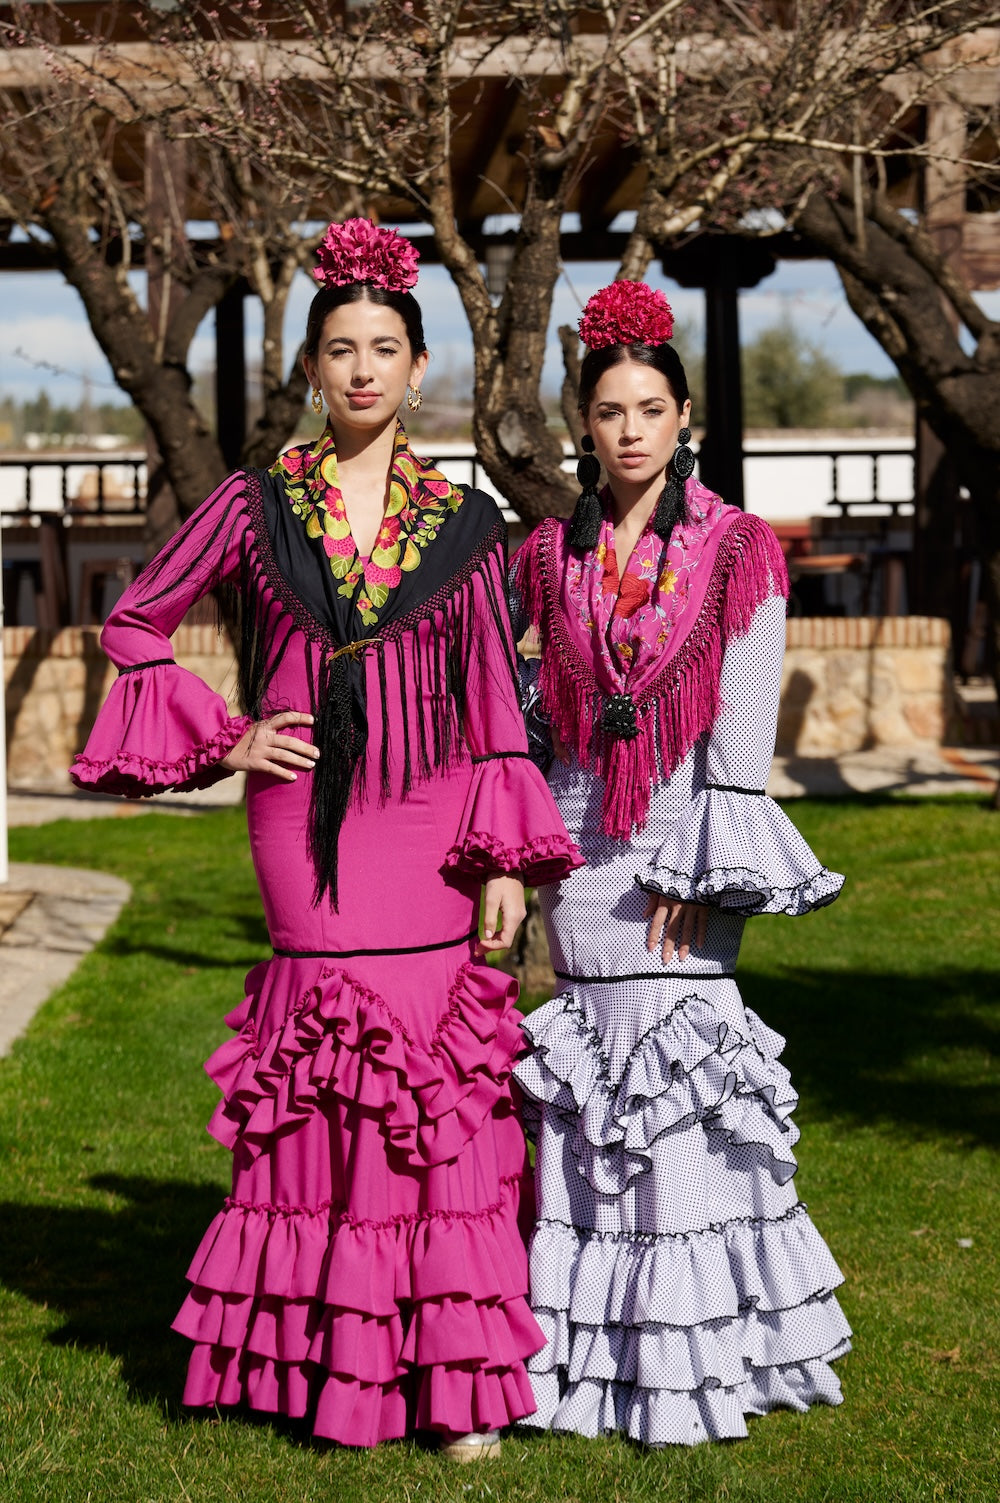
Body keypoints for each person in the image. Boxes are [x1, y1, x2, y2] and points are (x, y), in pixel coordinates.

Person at [70, 218, 581, 1457]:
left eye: (383, 349)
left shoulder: (466, 525)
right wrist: (225, 736)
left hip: (435, 819)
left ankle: (452, 1386)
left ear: (418, 368)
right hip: (300, 818)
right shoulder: (252, 505)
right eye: (340, 349)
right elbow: (136, 623)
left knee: (433, 1085)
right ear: (310, 367)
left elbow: (492, 699)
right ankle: (318, 1364)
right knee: (321, 1067)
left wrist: (506, 864)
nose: (361, 369)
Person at [508, 280, 851, 1446]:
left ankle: (696, 1364)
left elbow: (742, 739)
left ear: (682, 414)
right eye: (609, 411)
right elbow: (536, 713)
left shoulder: (738, 548)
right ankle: (587, 1361)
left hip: (684, 840)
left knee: (676, 1093)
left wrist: (704, 874)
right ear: (584, 422)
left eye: (649, 409)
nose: (629, 431)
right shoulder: (546, 553)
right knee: (591, 1089)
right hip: (577, 854)